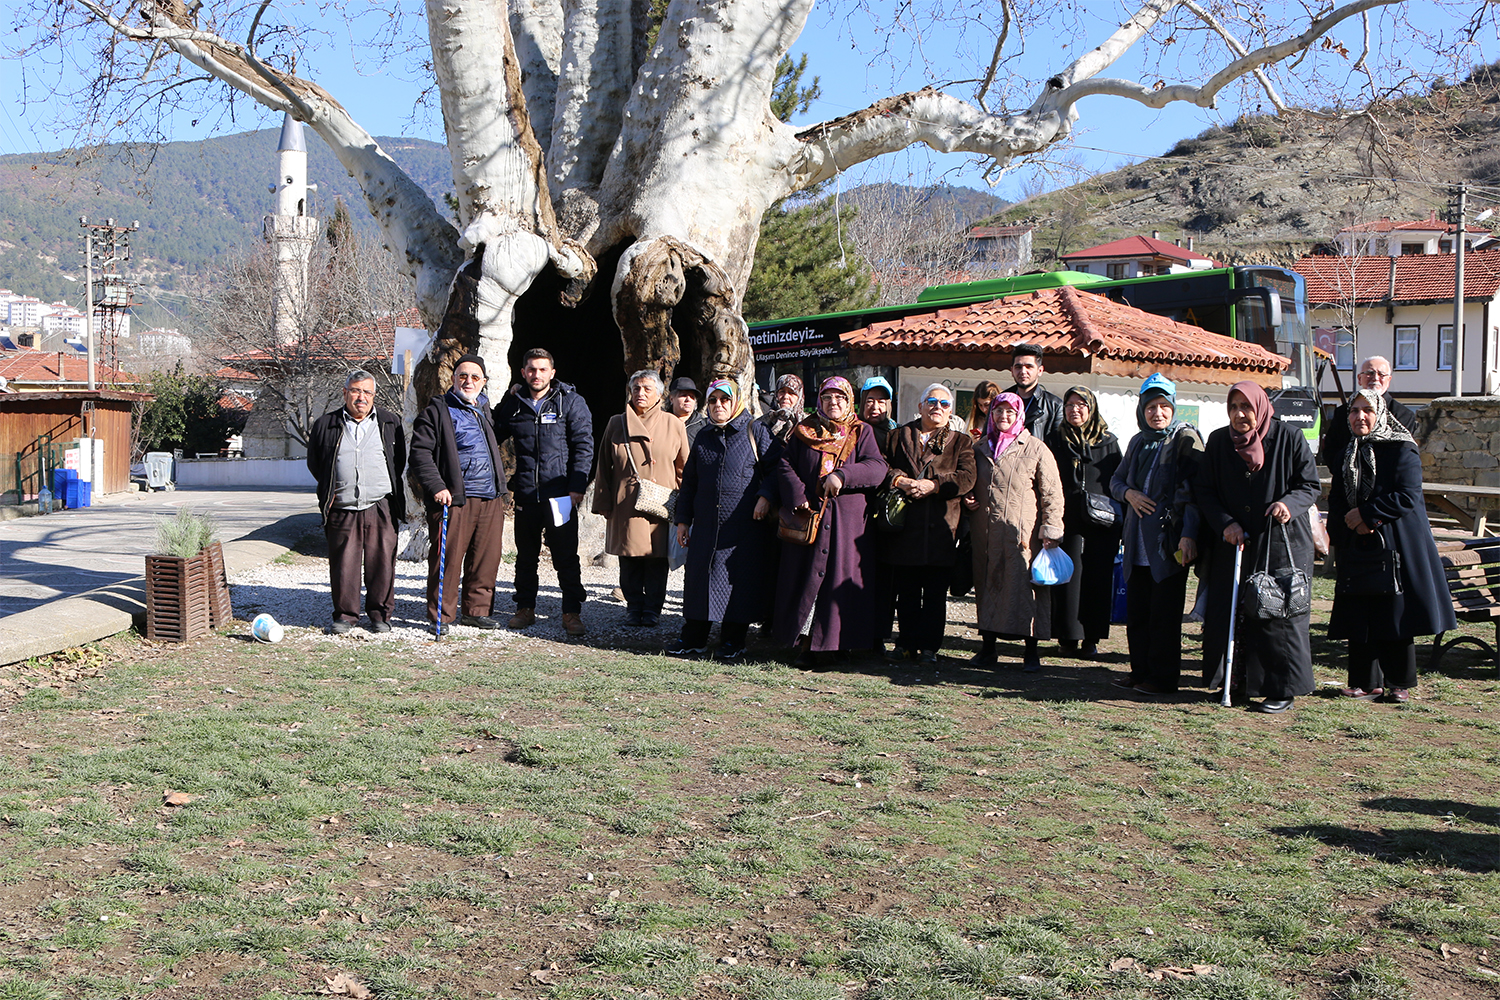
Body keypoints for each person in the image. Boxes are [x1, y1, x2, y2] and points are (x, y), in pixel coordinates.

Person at [1196, 381, 1321, 713]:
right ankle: (1232, 684)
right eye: (1234, 407)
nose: (1240, 414)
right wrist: (1226, 523)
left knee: (1275, 613)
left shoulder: (1290, 438)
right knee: (1232, 611)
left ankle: (1281, 689)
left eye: (1246, 407)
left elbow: (1309, 485)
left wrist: (1288, 504)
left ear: (1261, 408)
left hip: (1280, 540)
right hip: (1235, 542)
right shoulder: (1220, 441)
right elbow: (1205, 491)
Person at [1327, 389, 1455, 703]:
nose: (1360, 417)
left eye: (1367, 410)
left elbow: (1408, 495)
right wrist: (1345, 526)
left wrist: (1369, 516)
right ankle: (1364, 682)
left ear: (1380, 413)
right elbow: (1339, 496)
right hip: (1358, 544)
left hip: (1395, 543)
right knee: (1361, 612)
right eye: (1354, 411)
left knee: (1395, 614)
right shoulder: (1348, 452)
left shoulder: (1401, 447)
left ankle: (1399, 684)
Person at [773, 376, 889, 665]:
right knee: (807, 578)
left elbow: (877, 468)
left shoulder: (860, 432)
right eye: (827, 398)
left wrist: (843, 476)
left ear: (849, 401)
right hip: (809, 518)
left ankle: (839, 644)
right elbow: (785, 464)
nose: (833, 403)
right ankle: (808, 644)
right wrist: (797, 494)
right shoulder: (804, 431)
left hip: (846, 525)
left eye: (839, 397)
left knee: (839, 580)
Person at [667, 378, 775, 661]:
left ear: (736, 402)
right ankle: (693, 638)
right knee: (699, 582)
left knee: (737, 582)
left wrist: (765, 495)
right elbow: (689, 482)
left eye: (724, 400)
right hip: (705, 526)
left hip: (743, 528)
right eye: (713, 401)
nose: (718, 406)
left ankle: (732, 640)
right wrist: (682, 520)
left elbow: (778, 470)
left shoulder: (756, 431)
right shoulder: (704, 436)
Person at [1108, 376, 1203, 693]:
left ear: (1174, 408)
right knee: (1138, 612)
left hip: (1168, 542)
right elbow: (1116, 482)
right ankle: (1140, 671)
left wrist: (1189, 535)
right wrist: (1130, 495)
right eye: (1151, 406)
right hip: (1136, 542)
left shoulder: (1185, 440)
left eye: (1164, 406)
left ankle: (1162, 678)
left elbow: (1194, 494)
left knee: (1164, 613)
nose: (1157, 413)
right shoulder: (1138, 442)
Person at [492, 348, 594, 637]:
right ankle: (524, 608)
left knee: (565, 556)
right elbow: (492, 432)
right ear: (523, 373)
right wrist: (505, 398)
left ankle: (571, 611)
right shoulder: (515, 404)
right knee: (526, 557)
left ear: (552, 372)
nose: (536, 375)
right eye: (531, 370)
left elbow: (584, 446)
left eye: (542, 369)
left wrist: (576, 487)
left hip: (561, 495)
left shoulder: (569, 402)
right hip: (525, 495)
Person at [409, 354, 510, 631]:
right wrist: (438, 486)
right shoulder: (437, 411)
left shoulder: (485, 410)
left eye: (475, 377)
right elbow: (419, 454)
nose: (468, 381)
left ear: (483, 382)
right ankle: (441, 615)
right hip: (454, 499)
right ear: (452, 379)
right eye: (462, 376)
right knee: (448, 558)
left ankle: (476, 611)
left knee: (486, 558)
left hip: (490, 496)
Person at [966, 392, 1065, 671]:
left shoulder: (1035, 448)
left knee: (1025, 591)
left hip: (1024, 535)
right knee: (987, 586)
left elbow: (1052, 494)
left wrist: (1052, 529)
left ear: (1019, 414)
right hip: (985, 531)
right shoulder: (980, 447)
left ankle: (1030, 653)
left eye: (1010, 412)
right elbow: (969, 482)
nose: (1004, 417)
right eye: (999, 411)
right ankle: (987, 648)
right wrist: (967, 498)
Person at [880, 383, 976, 669]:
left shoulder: (961, 442)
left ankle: (929, 648)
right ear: (920, 406)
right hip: (905, 527)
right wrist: (902, 480)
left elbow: (967, 477)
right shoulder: (897, 435)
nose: (938, 407)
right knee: (906, 591)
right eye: (932, 401)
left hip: (941, 528)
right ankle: (906, 643)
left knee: (935, 595)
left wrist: (934, 485)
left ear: (950, 411)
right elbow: (882, 466)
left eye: (945, 404)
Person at [305, 370, 407, 634]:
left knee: (382, 562)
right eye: (355, 391)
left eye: (367, 392)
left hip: (380, 504)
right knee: (344, 565)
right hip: (342, 505)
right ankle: (345, 616)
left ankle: (380, 615)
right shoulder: (325, 424)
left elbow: (399, 461)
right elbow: (316, 463)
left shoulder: (390, 422)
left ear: (374, 396)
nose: (361, 397)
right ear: (345, 393)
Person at [593, 370, 690, 627]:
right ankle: (634, 608)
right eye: (636, 388)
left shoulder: (674, 424)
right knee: (630, 557)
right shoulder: (616, 423)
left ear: (659, 394)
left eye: (647, 388)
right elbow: (603, 467)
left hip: (662, 503)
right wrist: (603, 503)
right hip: (625, 503)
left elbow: (685, 470)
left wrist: (687, 509)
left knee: (657, 559)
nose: (640, 393)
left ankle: (653, 610)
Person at [1045, 386, 1122, 660]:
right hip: (1067, 519)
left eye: (1081, 405)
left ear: (1091, 408)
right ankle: (1067, 636)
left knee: (1098, 576)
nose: (1074, 410)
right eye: (1069, 405)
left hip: (1102, 521)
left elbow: (1118, 480)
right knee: (1068, 575)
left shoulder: (1108, 442)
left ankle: (1091, 637)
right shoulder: (1055, 439)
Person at [1319, 356, 1419, 467]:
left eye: (1381, 374)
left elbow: (1402, 453)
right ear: (1359, 378)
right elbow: (1330, 450)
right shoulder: (1342, 413)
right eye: (1370, 373)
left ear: (1389, 380)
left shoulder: (1402, 415)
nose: (1375, 378)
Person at [1005, 344, 1063, 441]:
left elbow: (1058, 446)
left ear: (1040, 371)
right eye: (1018, 367)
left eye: (1029, 367)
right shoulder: (1000, 401)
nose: (1023, 371)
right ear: (1012, 371)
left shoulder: (1055, 405)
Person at [860, 376, 899, 456]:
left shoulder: (898, 434)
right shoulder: (853, 432)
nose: (875, 407)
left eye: (881, 402)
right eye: (870, 401)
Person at [667, 376, 708, 448]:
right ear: (671, 398)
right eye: (683, 395)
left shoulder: (704, 426)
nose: (688, 399)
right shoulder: (662, 422)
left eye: (692, 396)